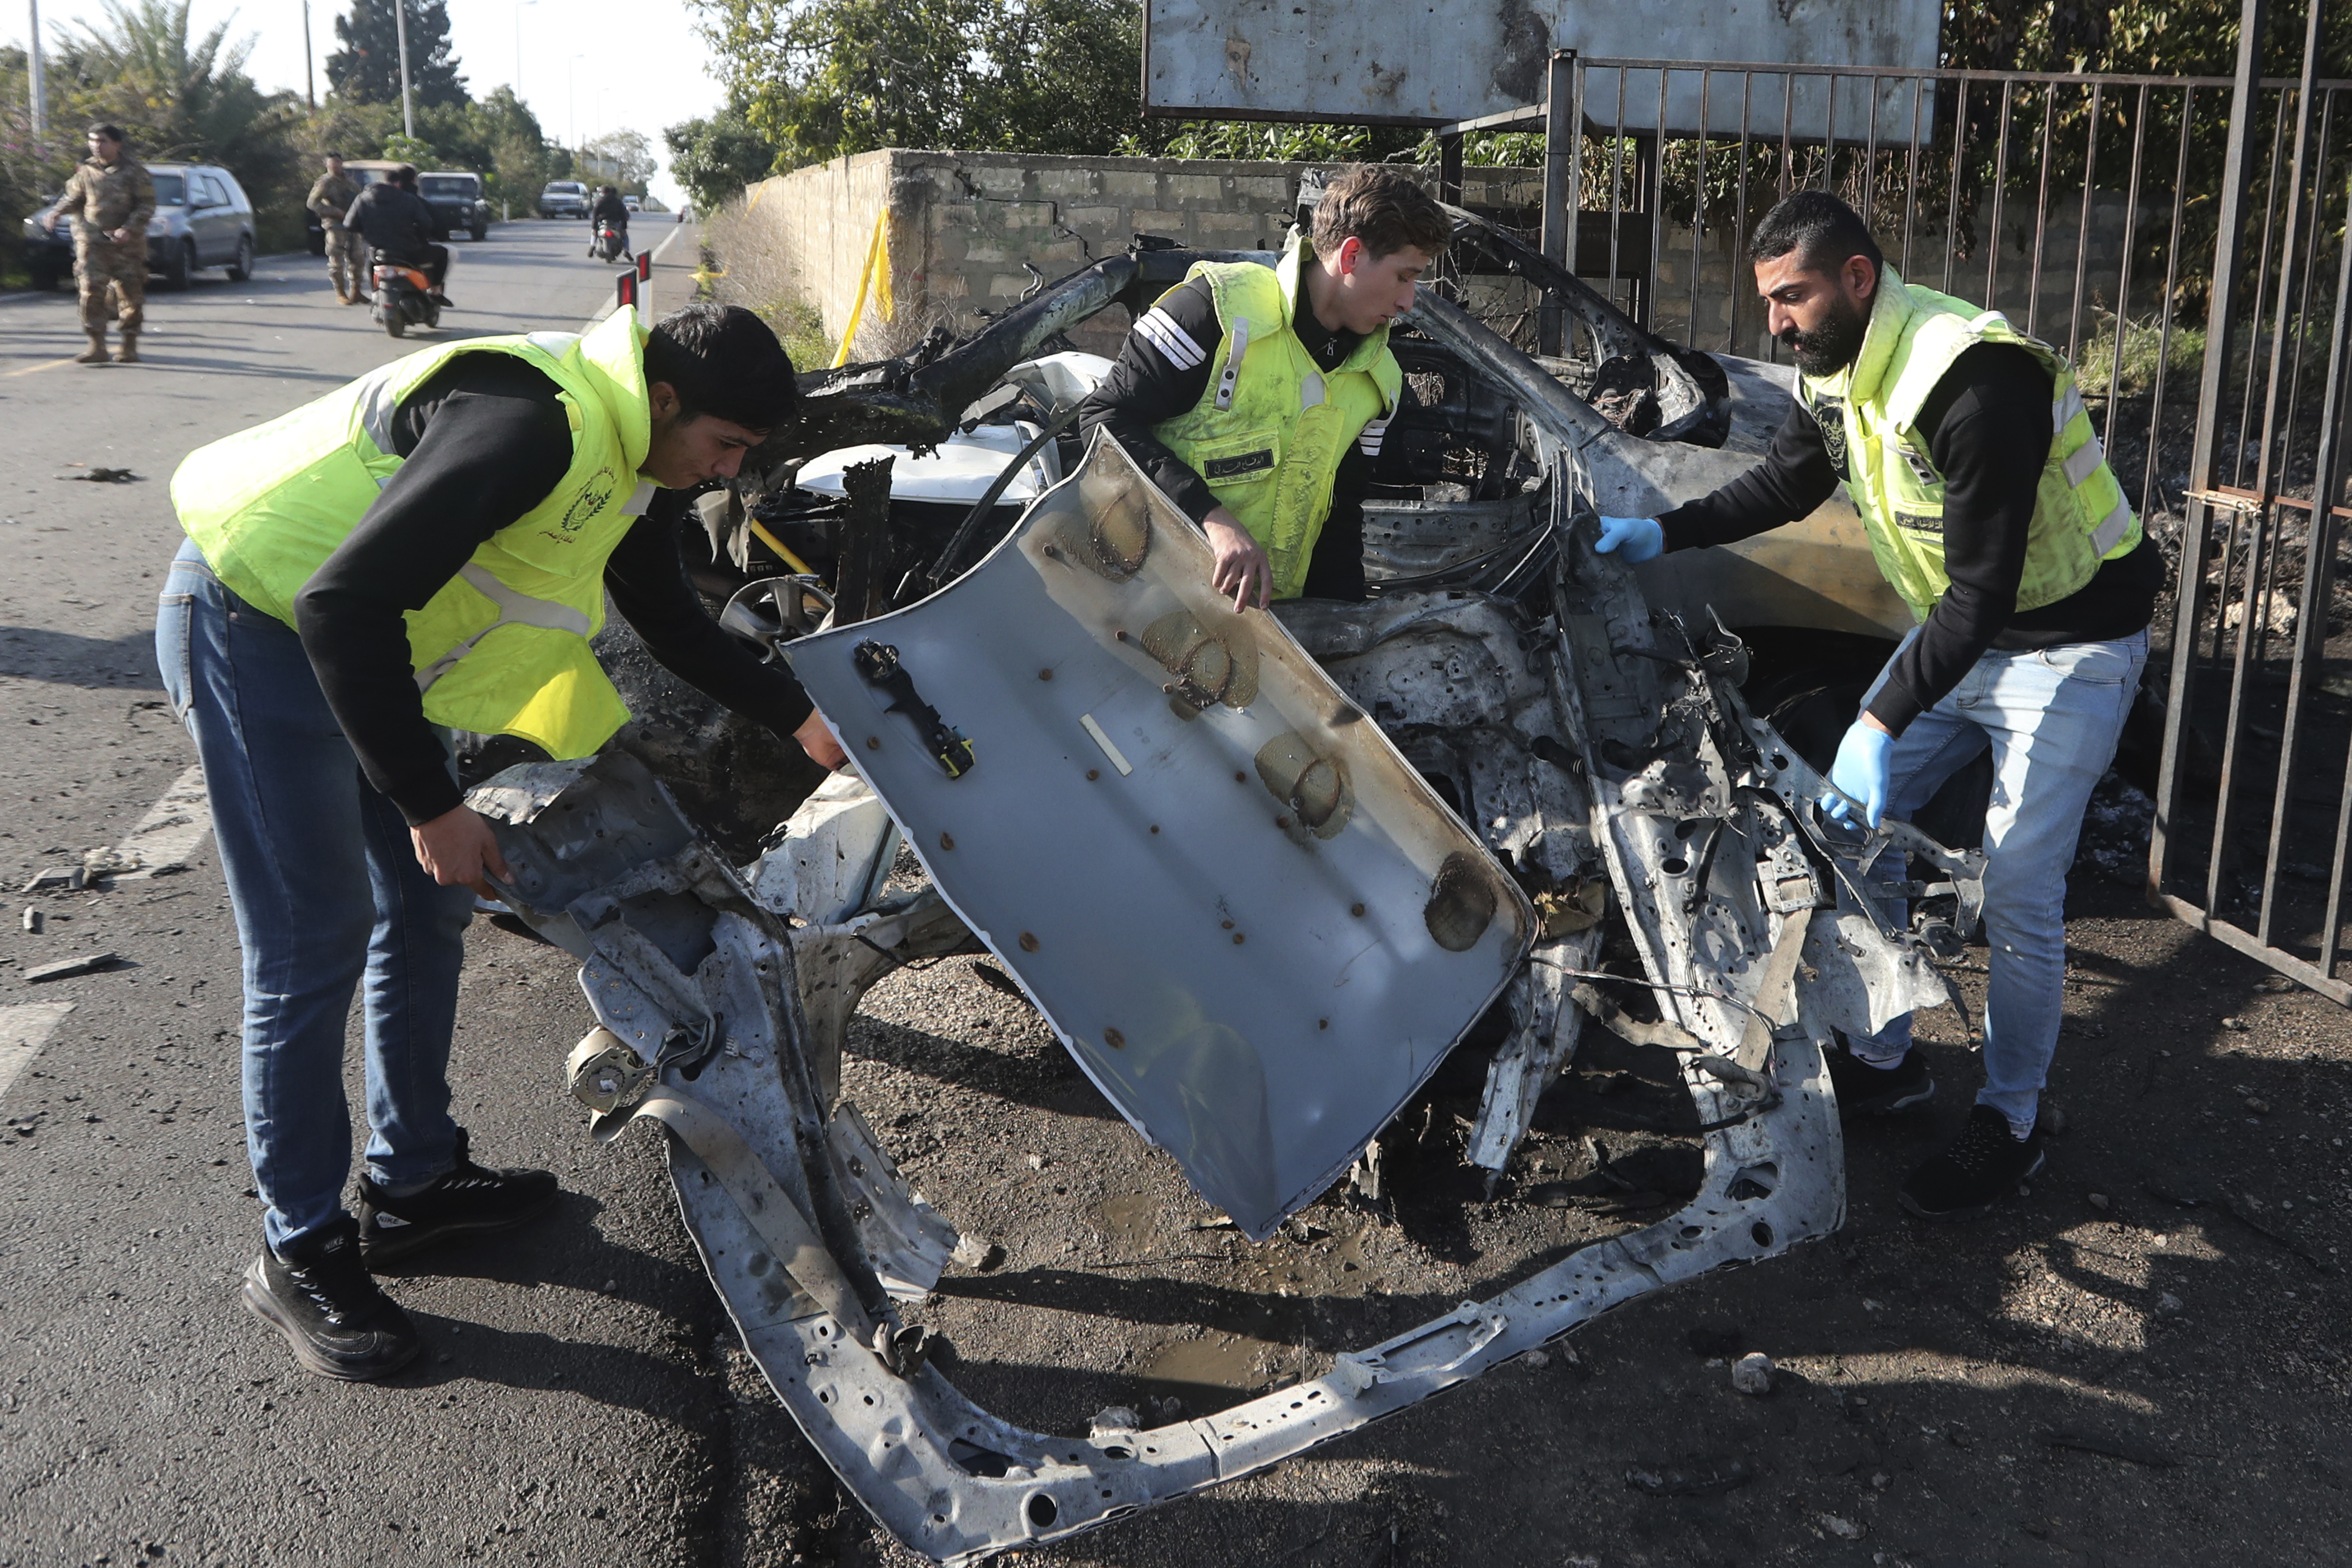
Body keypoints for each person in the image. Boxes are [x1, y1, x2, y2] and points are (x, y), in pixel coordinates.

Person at [161, 302, 846, 1381]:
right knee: (314, 942)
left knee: (428, 913)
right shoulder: (530, 423)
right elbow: (342, 602)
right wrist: (431, 805)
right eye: (724, 446)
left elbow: (664, 614)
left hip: (377, 656)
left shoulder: (635, 461)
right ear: (664, 398)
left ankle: (413, 1186)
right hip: (263, 626)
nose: (724, 473)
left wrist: (796, 716)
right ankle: (298, 1249)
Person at [1595, 190, 2160, 1220]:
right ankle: (1886, 1058)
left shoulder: (1972, 382)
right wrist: (1664, 533)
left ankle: (2010, 1121)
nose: (1775, 320)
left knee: (2021, 885)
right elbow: (1785, 483)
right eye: (1767, 299)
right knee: (1848, 832)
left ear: (1857, 279)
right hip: (1966, 634)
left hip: (2067, 647)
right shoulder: (1842, 367)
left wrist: (1875, 719)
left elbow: (1983, 591)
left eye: (1792, 296)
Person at [1078, 164, 1448, 610]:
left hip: (1266, 639)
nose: (1409, 302)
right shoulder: (1210, 312)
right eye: (1404, 277)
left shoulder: (1381, 384)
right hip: (1145, 608)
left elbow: (1339, 523)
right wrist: (1211, 519)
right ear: (1351, 257)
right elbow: (1104, 424)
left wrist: (1345, 632)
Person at [43, 124, 155, 365]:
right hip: (93, 243)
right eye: (93, 140)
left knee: (130, 295)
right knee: (91, 292)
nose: (96, 145)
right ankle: (97, 345)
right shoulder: (85, 171)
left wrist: (128, 229)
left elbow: (146, 206)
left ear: (117, 144)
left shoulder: (135, 172)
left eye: (102, 141)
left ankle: (129, 345)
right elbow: (74, 198)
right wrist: (57, 212)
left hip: (128, 245)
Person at [346, 163, 450, 306]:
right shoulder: (409, 199)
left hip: (378, 251)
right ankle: (435, 291)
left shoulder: (363, 198)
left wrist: (368, 232)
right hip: (409, 251)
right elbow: (426, 223)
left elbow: (349, 224)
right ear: (399, 183)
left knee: (370, 259)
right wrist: (420, 234)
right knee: (443, 253)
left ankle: (375, 293)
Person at [306, 152, 365, 306]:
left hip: (352, 225)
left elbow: (360, 199)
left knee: (358, 259)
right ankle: (341, 293)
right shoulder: (325, 183)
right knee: (337, 260)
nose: (336, 165)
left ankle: (356, 292)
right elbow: (313, 203)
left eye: (338, 162)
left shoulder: (350, 182)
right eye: (332, 163)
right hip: (335, 225)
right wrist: (335, 212)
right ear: (326, 165)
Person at [589, 184, 633, 260]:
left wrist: (594, 228)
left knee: (594, 234)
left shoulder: (599, 202)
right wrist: (624, 228)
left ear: (603, 193)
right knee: (625, 236)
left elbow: (594, 215)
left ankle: (593, 246)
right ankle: (626, 250)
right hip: (615, 223)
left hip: (602, 223)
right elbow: (623, 216)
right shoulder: (618, 202)